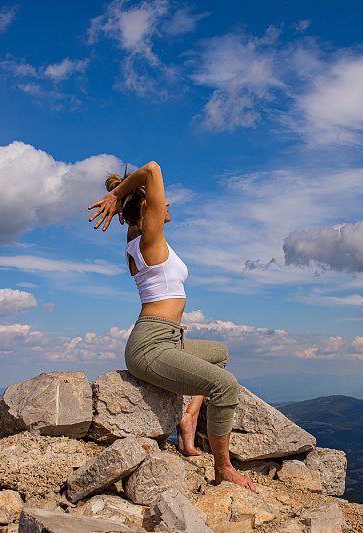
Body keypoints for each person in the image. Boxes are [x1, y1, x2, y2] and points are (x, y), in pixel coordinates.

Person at [87, 160, 257, 492]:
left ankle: (189, 418)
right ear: (148, 207)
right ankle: (223, 468)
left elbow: (139, 196)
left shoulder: (136, 235)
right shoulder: (149, 237)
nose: (169, 204)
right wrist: (119, 193)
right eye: (163, 201)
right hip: (150, 344)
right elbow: (151, 169)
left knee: (219, 353)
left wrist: (120, 198)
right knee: (225, 386)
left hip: (169, 339)